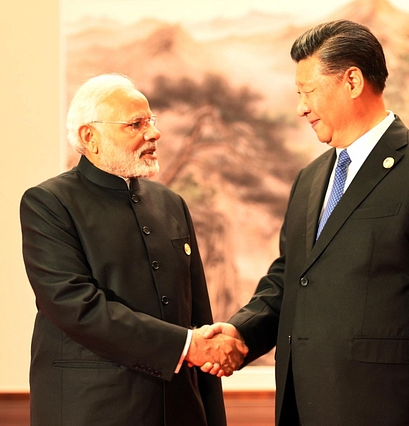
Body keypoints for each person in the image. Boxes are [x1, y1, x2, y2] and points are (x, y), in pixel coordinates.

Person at [204, 20, 409, 426]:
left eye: (308, 92)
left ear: (352, 80)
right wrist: (240, 333)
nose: (301, 107)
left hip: (383, 410)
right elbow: (291, 280)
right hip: (301, 408)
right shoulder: (310, 178)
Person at [20, 73, 247, 426]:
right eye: (135, 124)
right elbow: (77, 308)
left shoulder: (171, 203)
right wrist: (188, 346)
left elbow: (197, 313)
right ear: (89, 137)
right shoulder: (48, 204)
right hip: (92, 411)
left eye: (151, 121)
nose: (154, 133)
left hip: (179, 410)